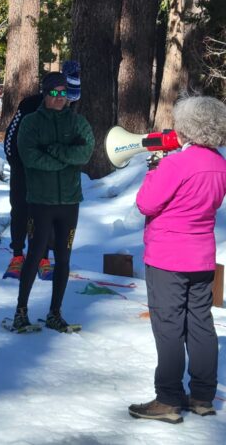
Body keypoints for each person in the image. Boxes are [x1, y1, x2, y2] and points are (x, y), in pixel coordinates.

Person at [127, 96, 226, 422]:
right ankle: (202, 396)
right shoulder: (219, 163)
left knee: (169, 327)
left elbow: (146, 203)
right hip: (201, 258)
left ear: (186, 126)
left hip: (168, 257)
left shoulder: (175, 163)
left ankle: (168, 399)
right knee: (200, 325)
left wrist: (154, 170)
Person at [7, 73, 94, 333]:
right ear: (45, 94)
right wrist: (66, 160)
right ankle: (21, 311)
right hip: (40, 201)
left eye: (63, 93)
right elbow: (30, 157)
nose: (59, 99)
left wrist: (55, 151)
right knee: (34, 255)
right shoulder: (31, 122)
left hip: (69, 201)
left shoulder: (77, 122)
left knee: (64, 258)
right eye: (54, 93)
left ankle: (55, 312)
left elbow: (86, 151)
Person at [3, 61, 82, 281]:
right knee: (20, 211)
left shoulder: (69, 112)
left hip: (51, 176)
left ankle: (43, 258)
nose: (64, 101)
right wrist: (19, 165)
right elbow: (11, 138)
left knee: (47, 216)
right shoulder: (29, 105)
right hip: (23, 169)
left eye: (69, 96)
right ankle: (18, 255)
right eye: (60, 94)